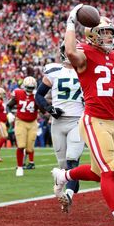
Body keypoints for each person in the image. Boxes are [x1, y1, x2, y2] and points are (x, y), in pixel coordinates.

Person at [51, 5, 114, 226]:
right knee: (110, 169)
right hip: (93, 120)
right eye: (103, 32)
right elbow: (71, 52)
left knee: (98, 172)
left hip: (111, 121)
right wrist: (71, 23)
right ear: (92, 34)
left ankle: (63, 175)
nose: (108, 36)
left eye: (109, 33)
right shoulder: (84, 54)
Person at [35, 43, 85, 213]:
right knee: (64, 165)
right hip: (57, 123)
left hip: (77, 121)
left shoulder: (85, 71)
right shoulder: (54, 71)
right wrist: (49, 109)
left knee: (73, 159)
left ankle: (69, 195)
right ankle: (72, 184)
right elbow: (39, 95)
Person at [7, 76, 41, 177]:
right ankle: (20, 167)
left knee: (30, 149)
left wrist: (42, 103)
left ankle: (28, 162)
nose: (30, 90)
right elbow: (9, 105)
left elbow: (43, 109)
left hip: (33, 122)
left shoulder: (36, 96)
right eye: (28, 87)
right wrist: (9, 113)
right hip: (20, 121)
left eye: (32, 88)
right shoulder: (18, 93)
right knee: (21, 145)